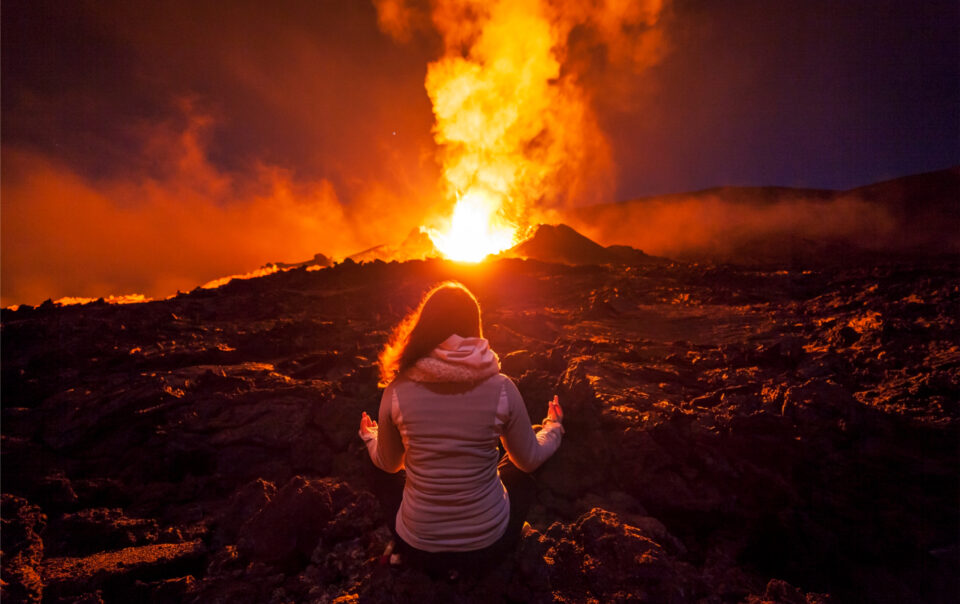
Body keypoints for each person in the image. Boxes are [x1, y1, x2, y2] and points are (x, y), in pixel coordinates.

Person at [358, 280, 564, 576]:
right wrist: (553, 427)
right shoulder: (502, 387)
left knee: (375, 464)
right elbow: (529, 459)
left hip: (419, 550)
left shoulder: (397, 391)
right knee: (523, 463)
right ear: (474, 326)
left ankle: (406, 543)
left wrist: (370, 437)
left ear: (425, 326)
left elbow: (390, 465)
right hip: (488, 548)